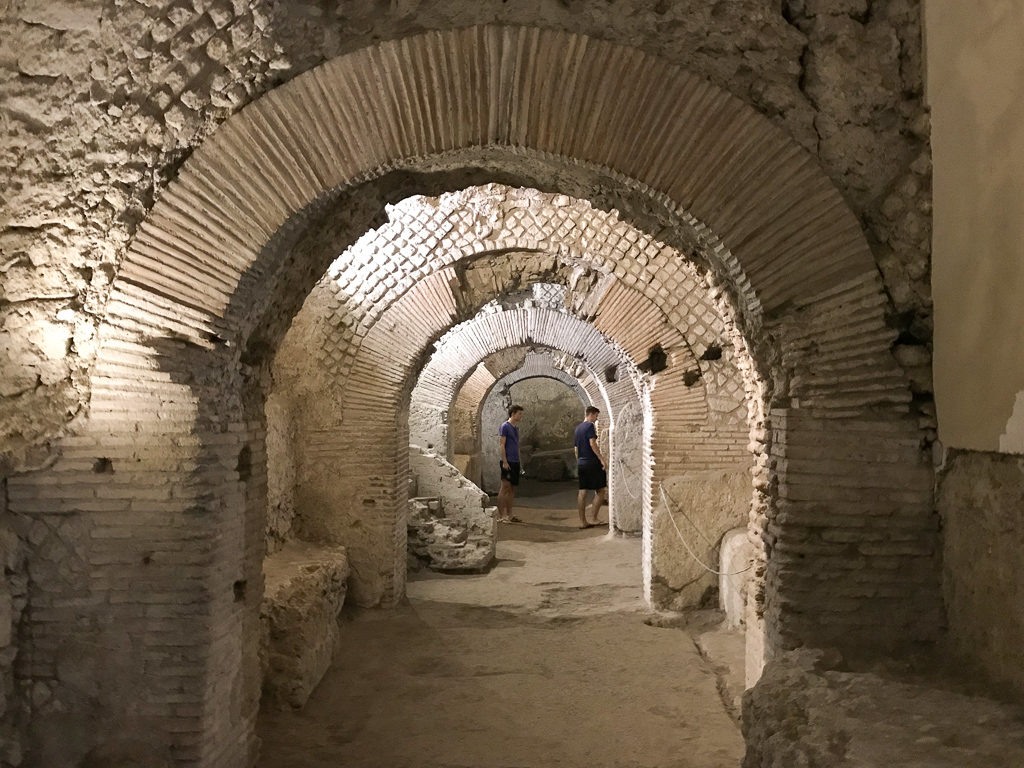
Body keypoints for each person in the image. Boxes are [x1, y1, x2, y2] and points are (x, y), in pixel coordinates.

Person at [574, 405, 607, 529]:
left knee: (582, 491)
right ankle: (593, 518)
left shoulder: (577, 428)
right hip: (592, 462)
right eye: (596, 416)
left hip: (581, 462)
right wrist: (601, 459)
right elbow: (592, 443)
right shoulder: (589, 426)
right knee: (601, 490)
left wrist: (579, 461)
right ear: (591, 414)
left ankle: (583, 521)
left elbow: (576, 449)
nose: (596, 419)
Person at [497, 405, 524, 523]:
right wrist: (505, 461)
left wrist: (520, 461)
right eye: (519, 414)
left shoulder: (515, 428)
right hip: (508, 461)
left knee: (512, 489)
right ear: (513, 414)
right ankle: (500, 516)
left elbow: (516, 446)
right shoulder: (505, 426)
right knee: (505, 487)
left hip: (515, 461)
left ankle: (510, 515)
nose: (521, 416)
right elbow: (502, 444)